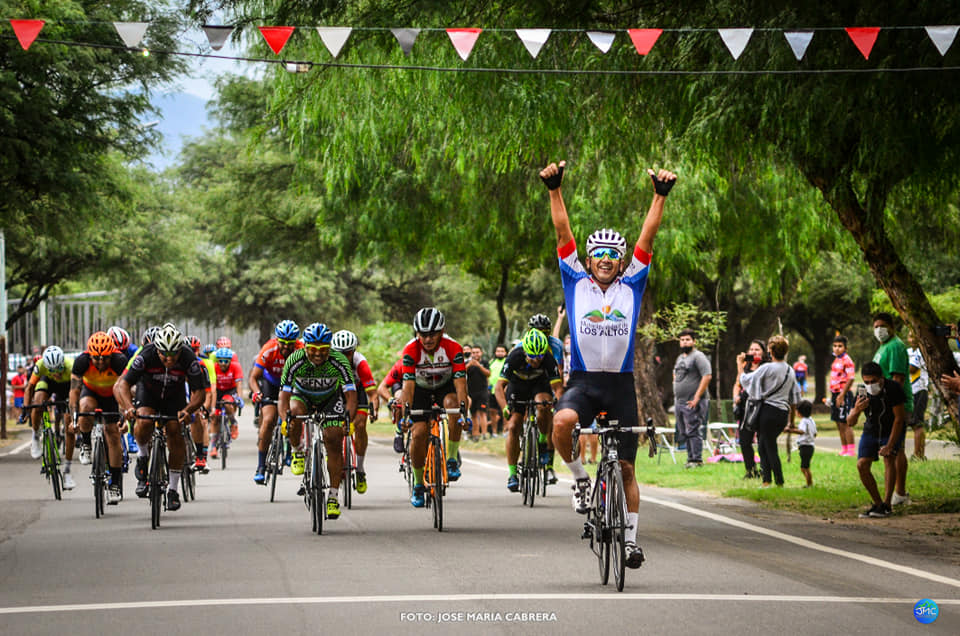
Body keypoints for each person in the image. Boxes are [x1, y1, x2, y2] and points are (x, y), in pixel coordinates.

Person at [540, 158, 676, 569]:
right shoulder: (574, 281)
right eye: (597, 253)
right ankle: (581, 480)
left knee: (628, 469)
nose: (604, 259)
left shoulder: (632, 284)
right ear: (589, 257)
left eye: (612, 255)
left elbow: (647, 239)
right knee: (562, 424)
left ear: (620, 262)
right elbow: (563, 230)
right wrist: (554, 189)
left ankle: (631, 542)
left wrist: (659, 195)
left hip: (620, 386)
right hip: (583, 382)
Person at [114, 323, 210, 510]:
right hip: (148, 394)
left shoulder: (188, 357)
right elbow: (123, 385)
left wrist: (188, 410)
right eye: (163, 354)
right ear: (156, 349)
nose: (168, 359)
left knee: (175, 431)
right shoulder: (146, 355)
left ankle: (173, 490)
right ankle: (142, 456)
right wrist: (128, 408)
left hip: (174, 396)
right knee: (143, 421)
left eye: (173, 354)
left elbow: (200, 392)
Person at [278, 323, 357, 520]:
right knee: (294, 414)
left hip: (330, 400)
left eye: (323, 350)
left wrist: (349, 419)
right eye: (313, 349)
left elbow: (351, 394)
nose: (318, 354)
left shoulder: (339, 360)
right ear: (305, 347)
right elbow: (284, 396)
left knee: (333, 439)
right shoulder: (294, 360)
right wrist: (284, 420)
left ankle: (332, 496)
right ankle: (297, 451)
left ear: (329, 348)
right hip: (302, 397)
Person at [400, 307, 469, 507]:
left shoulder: (452, 348)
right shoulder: (411, 350)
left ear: (442, 331)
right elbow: (408, 386)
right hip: (420, 390)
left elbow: (461, 383)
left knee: (452, 404)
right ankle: (418, 484)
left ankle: (452, 458)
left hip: (444, 387)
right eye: (422, 334)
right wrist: (406, 415)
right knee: (419, 433)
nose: (427, 339)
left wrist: (463, 411)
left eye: (432, 334)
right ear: (416, 333)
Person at [494, 329, 563, 491]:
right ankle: (512, 474)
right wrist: (504, 407)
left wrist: (558, 405)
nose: (536, 361)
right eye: (532, 357)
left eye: (540, 357)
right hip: (517, 386)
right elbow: (499, 387)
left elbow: (558, 389)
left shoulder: (548, 359)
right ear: (525, 352)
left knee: (543, 405)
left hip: (539, 385)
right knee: (513, 426)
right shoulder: (514, 356)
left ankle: (542, 441)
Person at [69, 332, 129, 503]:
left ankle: (115, 483)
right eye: (97, 359)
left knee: (113, 433)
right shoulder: (82, 361)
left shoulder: (119, 361)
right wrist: (74, 420)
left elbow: (123, 391)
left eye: (105, 358)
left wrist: (123, 419)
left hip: (113, 395)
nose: (101, 362)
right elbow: (74, 391)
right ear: (90, 355)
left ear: (112, 354)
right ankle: (86, 442)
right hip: (91, 392)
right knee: (85, 407)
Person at [737, 335, 800, 488]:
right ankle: (769, 480)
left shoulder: (767, 368)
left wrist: (740, 364)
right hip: (782, 413)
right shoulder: (790, 370)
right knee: (764, 445)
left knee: (768, 446)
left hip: (767, 412)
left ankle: (776, 481)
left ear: (770, 351)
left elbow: (745, 380)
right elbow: (794, 397)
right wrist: (791, 421)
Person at [847, 362, 907, 518]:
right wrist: (856, 410)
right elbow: (850, 422)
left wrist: (890, 445)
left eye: (873, 381)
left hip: (891, 428)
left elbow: (899, 419)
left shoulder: (893, 388)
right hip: (872, 429)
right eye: (866, 382)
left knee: (889, 458)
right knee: (862, 465)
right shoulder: (862, 392)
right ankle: (878, 504)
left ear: (881, 378)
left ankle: (887, 505)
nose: (870, 385)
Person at [250, 320, 303, 484]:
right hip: (271, 384)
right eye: (283, 343)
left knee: (293, 416)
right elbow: (253, 377)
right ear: (277, 340)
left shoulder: (301, 350)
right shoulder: (269, 348)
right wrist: (257, 392)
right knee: (268, 420)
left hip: (292, 384)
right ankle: (260, 466)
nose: (286, 348)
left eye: (290, 344)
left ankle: (291, 450)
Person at [871, 312, 913, 507]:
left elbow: (897, 379)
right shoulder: (883, 347)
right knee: (895, 449)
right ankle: (898, 492)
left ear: (891, 326)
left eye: (882, 325)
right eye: (875, 326)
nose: (878, 330)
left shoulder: (896, 346)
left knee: (896, 448)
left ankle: (900, 493)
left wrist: (889, 403)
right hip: (884, 406)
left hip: (896, 405)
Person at [331, 329, 379, 494]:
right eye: (339, 353)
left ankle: (359, 469)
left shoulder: (360, 363)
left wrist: (374, 408)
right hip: (338, 394)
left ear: (354, 351)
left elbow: (372, 393)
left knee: (359, 425)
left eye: (348, 353)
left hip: (357, 394)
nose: (344, 357)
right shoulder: (329, 362)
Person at [23, 346, 77, 488]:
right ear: (46, 366)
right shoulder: (40, 365)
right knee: (38, 400)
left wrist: (74, 411)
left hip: (67, 387)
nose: (56, 373)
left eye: (59, 369)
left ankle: (67, 471)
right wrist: (26, 410)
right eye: (52, 370)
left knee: (69, 425)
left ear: (63, 364)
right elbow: (29, 388)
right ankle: (35, 436)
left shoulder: (70, 365)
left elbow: (77, 390)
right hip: (48, 383)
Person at [673, 328, 712, 468]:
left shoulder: (698, 356)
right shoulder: (680, 358)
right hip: (680, 402)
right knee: (684, 432)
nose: (685, 342)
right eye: (682, 340)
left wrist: (696, 397)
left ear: (694, 341)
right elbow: (676, 375)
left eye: (688, 339)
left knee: (693, 430)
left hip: (694, 401)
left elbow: (707, 376)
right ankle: (690, 459)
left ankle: (696, 460)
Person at [733, 339, 767, 479]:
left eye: (757, 350)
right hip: (745, 407)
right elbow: (738, 383)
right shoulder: (745, 366)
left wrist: (739, 366)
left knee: (762, 440)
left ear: (763, 353)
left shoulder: (766, 367)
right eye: (751, 349)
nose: (754, 352)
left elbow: (748, 381)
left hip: (760, 406)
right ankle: (750, 470)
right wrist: (735, 396)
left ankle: (765, 469)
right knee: (744, 440)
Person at [827, 335, 857, 456]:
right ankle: (844, 449)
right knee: (838, 422)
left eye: (840, 346)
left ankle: (850, 450)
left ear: (845, 348)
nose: (837, 348)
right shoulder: (836, 360)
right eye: (835, 346)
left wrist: (842, 394)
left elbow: (851, 378)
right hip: (835, 394)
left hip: (843, 394)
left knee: (845, 422)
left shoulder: (847, 360)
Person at [906, 332, 928, 461]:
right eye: (910, 336)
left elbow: (912, 369)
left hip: (919, 390)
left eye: (915, 335)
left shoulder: (921, 351)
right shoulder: (908, 351)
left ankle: (919, 454)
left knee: (917, 424)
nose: (912, 338)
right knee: (911, 423)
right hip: (909, 392)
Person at [785, 399, 816, 488]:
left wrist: (790, 430)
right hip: (810, 446)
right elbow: (815, 433)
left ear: (799, 412)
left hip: (805, 446)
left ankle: (809, 484)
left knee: (804, 467)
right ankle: (809, 483)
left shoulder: (804, 421)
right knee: (806, 466)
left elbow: (801, 431)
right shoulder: (811, 420)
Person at [465, 345, 491, 440]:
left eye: (477, 352)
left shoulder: (484, 363)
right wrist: (469, 365)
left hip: (482, 392)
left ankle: (484, 433)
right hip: (471, 392)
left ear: (481, 353)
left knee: (483, 413)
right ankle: (475, 434)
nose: (475, 354)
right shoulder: (467, 363)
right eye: (473, 352)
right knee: (474, 414)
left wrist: (478, 366)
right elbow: (462, 373)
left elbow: (488, 374)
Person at [487, 344, 509, 437]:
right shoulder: (491, 362)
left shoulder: (507, 362)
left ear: (506, 353)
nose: (500, 353)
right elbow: (488, 375)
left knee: (505, 410)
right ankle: (494, 432)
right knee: (492, 411)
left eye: (502, 351)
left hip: (504, 391)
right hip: (492, 391)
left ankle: (505, 430)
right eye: (498, 351)